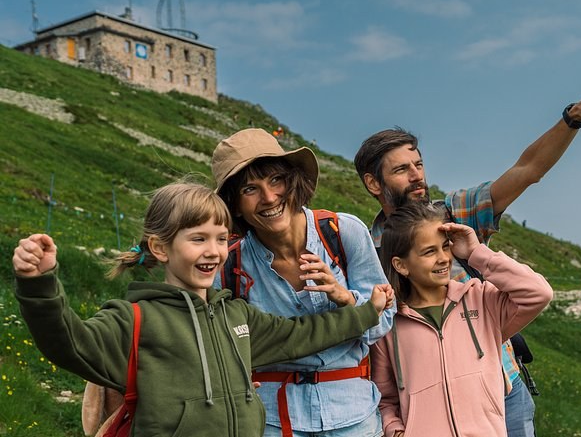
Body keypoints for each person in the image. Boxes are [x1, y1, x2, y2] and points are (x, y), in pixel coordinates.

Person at [353, 72, 581, 437]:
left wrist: (573, 118)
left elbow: (527, 170)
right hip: (427, 411)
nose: (417, 176)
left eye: (419, 165)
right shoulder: (364, 248)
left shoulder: (454, 213)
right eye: (402, 170)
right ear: (373, 183)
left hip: (502, 390)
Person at [11, 182, 392, 437]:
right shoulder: (135, 319)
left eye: (221, 239)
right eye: (198, 239)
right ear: (161, 249)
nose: (213, 251)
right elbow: (68, 343)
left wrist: (365, 312)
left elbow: (304, 335)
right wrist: (40, 284)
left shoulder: (237, 317)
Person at [212, 128, 396, 437]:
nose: (269, 198)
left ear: (291, 180)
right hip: (271, 419)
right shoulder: (230, 263)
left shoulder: (343, 232)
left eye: (275, 180)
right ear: (234, 204)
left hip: (353, 415)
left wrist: (344, 298)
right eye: (250, 189)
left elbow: (384, 322)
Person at [371, 202, 553, 437]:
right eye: (429, 252)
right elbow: (384, 398)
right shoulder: (389, 324)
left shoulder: (481, 299)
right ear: (401, 265)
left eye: (445, 247)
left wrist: (476, 253)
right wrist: (394, 429)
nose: (443, 258)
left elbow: (538, 293)